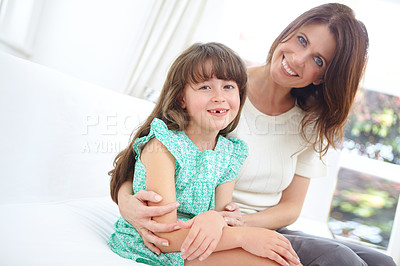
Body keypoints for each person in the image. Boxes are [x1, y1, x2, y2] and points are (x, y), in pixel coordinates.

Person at [112, 4, 396, 266]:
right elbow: (145, 156)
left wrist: (236, 227)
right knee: (340, 260)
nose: (297, 60)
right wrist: (128, 205)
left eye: (318, 60)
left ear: (322, 77)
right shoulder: (221, 89)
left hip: (251, 224)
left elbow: (291, 207)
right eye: (301, 40)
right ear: (289, 32)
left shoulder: (310, 121)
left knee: (381, 261)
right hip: (208, 225)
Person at [108, 42, 301, 266]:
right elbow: (165, 237)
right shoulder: (163, 147)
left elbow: (220, 217)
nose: (219, 97)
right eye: (205, 87)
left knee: (277, 261)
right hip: (157, 246)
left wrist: (218, 220)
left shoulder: (229, 153)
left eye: (228, 87)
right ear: (182, 99)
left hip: (198, 240)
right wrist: (244, 236)